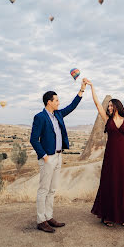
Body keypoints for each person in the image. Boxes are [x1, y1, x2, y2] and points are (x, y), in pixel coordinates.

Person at [30, 79, 87, 233]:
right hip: (48, 158)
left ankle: (49, 217)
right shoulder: (40, 117)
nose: (58, 102)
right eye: (56, 100)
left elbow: (72, 106)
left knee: (52, 189)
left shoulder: (58, 114)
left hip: (59, 156)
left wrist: (81, 90)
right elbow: (33, 139)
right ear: (49, 102)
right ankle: (41, 220)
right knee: (43, 189)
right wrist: (44, 156)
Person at [85, 79, 124, 227]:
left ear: (117, 106)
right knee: (110, 183)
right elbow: (96, 104)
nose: (108, 108)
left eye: (110, 105)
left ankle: (123, 216)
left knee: (122, 184)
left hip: (122, 157)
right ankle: (108, 216)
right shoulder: (107, 120)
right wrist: (92, 86)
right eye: (107, 106)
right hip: (110, 157)